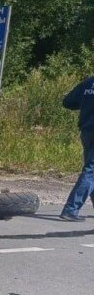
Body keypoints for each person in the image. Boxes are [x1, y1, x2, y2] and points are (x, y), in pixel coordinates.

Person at [61, 75, 94, 221]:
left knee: (91, 170)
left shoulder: (88, 83)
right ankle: (71, 209)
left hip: (87, 131)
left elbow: (67, 102)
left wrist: (86, 104)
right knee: (91, 171)